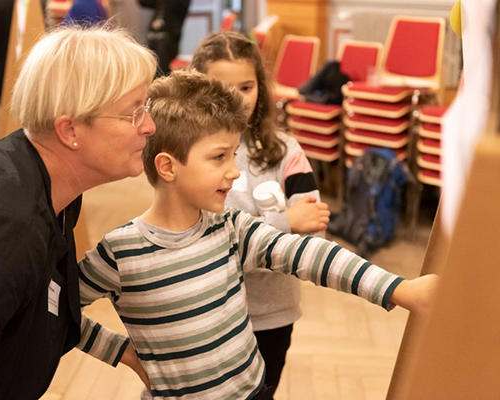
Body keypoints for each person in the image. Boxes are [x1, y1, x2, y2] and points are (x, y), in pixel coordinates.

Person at [77, 70, 438, 399]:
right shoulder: (120, 253)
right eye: (219, 157)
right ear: (168, 166)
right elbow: (59, 313)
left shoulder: (232, 228)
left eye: (233, 155)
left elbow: (313, 256)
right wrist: (125, 355)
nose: (234, 171)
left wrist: (398, 288)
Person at [0, 26, 155, 399]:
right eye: (133, 114)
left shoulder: (50, 188)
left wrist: (130, 354)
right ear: (69, 130)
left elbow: (39, 311)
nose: (148, 126)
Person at [190, 31, 330, 396]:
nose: (237, 99)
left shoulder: (287, 151)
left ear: (261, 89)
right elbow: (202, 249)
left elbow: (313, 239)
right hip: (207, 315)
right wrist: (284, 223)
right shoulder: (188, 155)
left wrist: (247, 241)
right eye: (222, 87)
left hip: (272, 317)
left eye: (247, 87)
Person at [139, 0, 191, 76]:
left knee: (162, 72)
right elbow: (143, 2)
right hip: (153, 37)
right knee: (150, 70)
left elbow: (174, 4)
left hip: (168, 39)